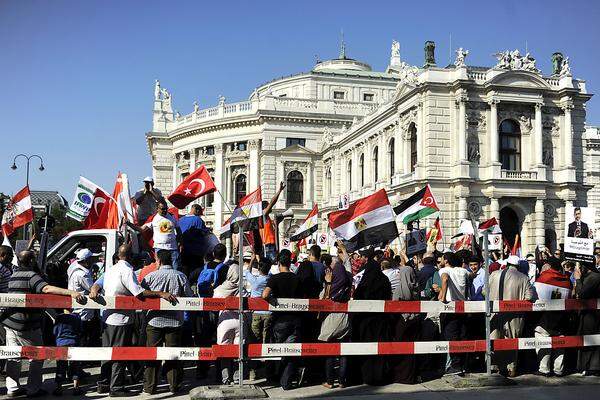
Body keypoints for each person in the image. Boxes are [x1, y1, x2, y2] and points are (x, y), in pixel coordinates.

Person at [90, 244, 177, 396]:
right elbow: (139, 293)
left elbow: (97, 284)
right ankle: (115, 388)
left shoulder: (111, 269)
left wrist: (93, 290)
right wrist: (161, 294)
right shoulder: (127, 270)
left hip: (107, 318)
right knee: (119, 353)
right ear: (130, 256)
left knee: (107, 353)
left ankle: (103, 383)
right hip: (121, 319)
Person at [1, 250, 83, 398]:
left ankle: (12, 388)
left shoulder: (13, 275)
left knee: (13, 356)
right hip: (27, 325)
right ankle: (33, 389)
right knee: (37, 356)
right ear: (32, 261)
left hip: (11, 323)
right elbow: (46, 288)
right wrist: (71, 292)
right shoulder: (32, 276)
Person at [141, 249, 193, 394]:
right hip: (175, 321)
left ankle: (150, 387)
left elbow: (141, 295)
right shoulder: (180, 276)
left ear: (159, 261)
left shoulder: (150, 277)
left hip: (154, 320)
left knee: (152, 354)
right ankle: (174, 385)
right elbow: (189, 296)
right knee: (173, 355)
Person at [262, 249, 303, 390]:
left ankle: (275, 377)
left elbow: (265, 295)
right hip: (295, 318)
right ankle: (286, 381)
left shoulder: (274, 278)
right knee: (291, 352)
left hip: (280, 320)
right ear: (290, 262)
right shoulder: (297, 278)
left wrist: (274, 300)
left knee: (277, 350)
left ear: (279, 262)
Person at [489, 255, 534, 377]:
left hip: (495, 313)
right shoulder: (524, 278)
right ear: (518, 266)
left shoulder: (493, 274)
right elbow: (529, 297)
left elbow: (484, 291)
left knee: (495, 339)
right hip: (514, 315)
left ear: (506, 264)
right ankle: (511, 368)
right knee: (512, 341)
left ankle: (494, 366)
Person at [352, 247, 392, 386]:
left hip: (365, 321)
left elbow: (357, 298)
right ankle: (379, 375)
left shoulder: (365, 282)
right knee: (379, 348)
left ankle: (366, 375)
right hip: (380, 320)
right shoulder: (384, 280)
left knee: (366, 348)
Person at [319, 245, 352, 389]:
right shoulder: (347, 280)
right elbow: (348, 265)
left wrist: (327, 282)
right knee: (344, 352)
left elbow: (322, 300)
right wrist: (343, 251)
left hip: (331, 322)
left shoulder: (331, 286)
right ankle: (343, 382)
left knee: (330, 353)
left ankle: (330, 381)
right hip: (345, 321)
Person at [533, 258, 571, 377]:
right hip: (561, 315)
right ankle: (558, 369)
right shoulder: (567, 281)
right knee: (560, 340)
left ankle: (544, 368)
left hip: (546, 315)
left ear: (549, 266)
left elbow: (535, 296)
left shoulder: (544, 278)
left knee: (542, 338)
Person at [438, 251, 470, 375]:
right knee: (462, 335)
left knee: (451, 336)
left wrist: (443, 297)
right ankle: (462, 365)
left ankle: (455, 366)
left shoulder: (444, 270)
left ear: (446, 260)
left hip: (450, 308)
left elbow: (445, 279)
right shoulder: (463, 271)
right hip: (463, 307)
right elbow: (470, 278)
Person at [128, 200, 181, 270]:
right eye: (162, 209)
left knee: (175, 267)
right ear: (157, 209)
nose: (165, 210)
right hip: (160, 247)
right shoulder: (153, 218)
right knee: (159, 268)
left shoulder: (172, 217)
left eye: (166, 208)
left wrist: (180, 242)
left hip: (172, 247)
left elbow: (178, 229)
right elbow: (141, 229)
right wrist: (129, 224)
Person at [214, 261, 243, 385]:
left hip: (224, 321)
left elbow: (213, 305)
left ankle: (225, 378)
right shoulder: (244, 287)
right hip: (240, 321)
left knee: (224, 352)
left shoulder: (220, 289)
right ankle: (237, 378)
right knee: (238, 352)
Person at [574, 262, 600, 376]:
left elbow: (582, 294)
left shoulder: (594, 277)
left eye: (580, 266)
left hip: (592, 315)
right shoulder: (592, 276)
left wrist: (578, 279)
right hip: (590, 314)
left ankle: (590, 367)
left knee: (589, 339)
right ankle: (587, 366)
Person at [67, 248, 96, 348]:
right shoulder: (82, 274)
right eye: (91, 259)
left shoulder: (75, 269)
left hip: (78, 310)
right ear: (85, 261)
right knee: (83, 337)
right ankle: (81, 362)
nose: (93, 261)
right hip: (83, 312)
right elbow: (93, 288)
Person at [52, 310, 84, 396]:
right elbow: (80, 330)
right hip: (74, 342)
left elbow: (55, 331)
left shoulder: (59, 317)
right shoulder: (77, 317)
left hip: (61, 343)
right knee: (75, 365)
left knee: (60, 366)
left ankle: (59, 388)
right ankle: (76, 387)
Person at [178, 204, 209, 276]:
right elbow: (204, 233)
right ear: (197, 211)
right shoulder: (198, 220)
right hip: (196, 251)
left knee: (185, 272)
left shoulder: (180, 220)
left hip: (183, 251)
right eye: (200, 214)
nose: (200, 216)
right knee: (196, 273)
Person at [260, 182, 285, 263]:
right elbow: (272, 202)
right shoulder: (263, 214)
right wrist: (279, 191)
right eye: (268, 205)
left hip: (270, 245)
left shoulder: (267, 218)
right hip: (268, 246)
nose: (270, 206)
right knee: (273, 265)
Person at [0, 245, 14, 375]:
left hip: (4, 310)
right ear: (3, 255)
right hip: (1, 312)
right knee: (4, 341)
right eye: (10, 255)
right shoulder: (1, 269)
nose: (12, 258)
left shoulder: (5, 268)